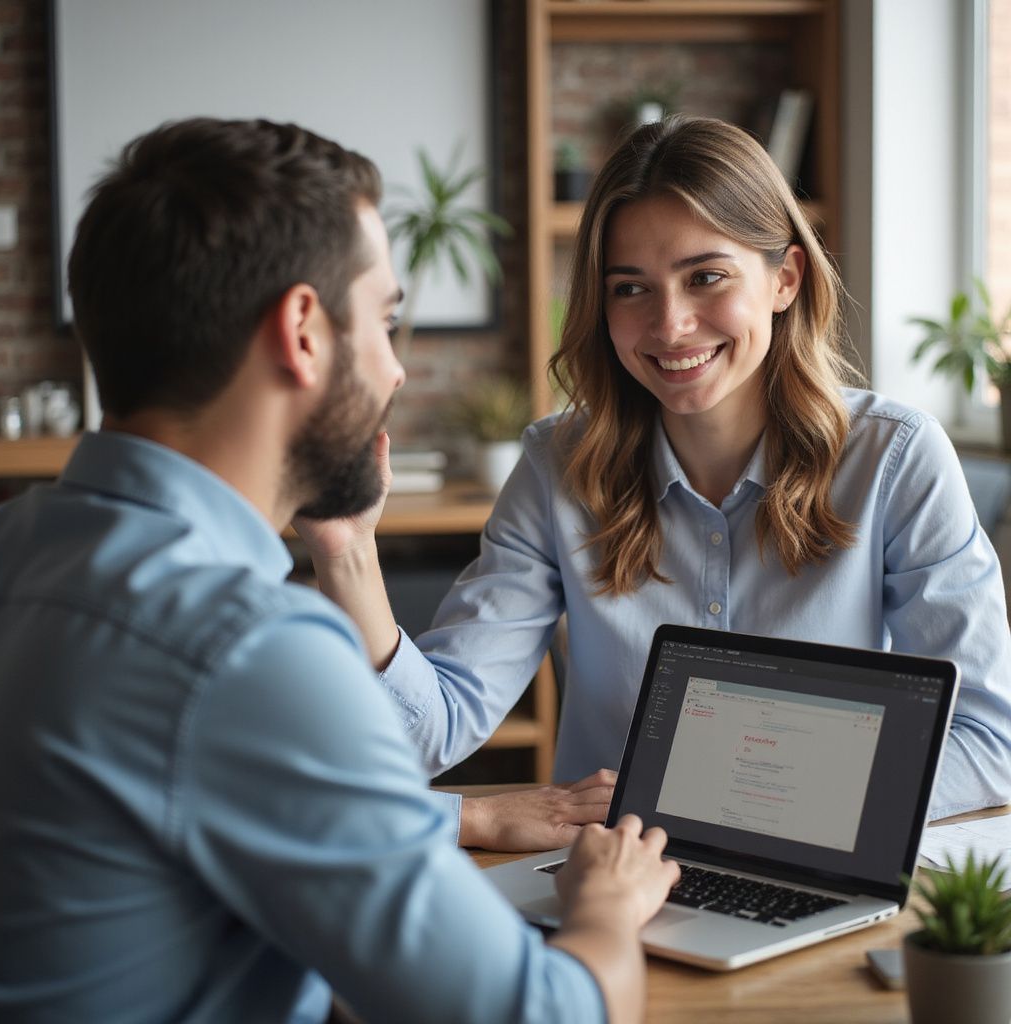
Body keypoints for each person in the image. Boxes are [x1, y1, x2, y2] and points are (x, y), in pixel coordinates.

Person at [0, 117, 680, 1024]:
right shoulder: (248, 648)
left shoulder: (13, 545)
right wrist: (606, 909)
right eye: (386, 321)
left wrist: (460, 819)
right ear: (304, 332)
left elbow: (153, 804)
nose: (395, 369)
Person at [302, 113, 1011, 826]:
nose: (670, 325)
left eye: (706, 277)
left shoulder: (895, 459)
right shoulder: (558, 467)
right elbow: (429, 732)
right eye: (631, 288)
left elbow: (990, 743)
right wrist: (347, 550)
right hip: (603, 882)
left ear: (785, 279)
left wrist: (749, 801)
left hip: (816, 874)